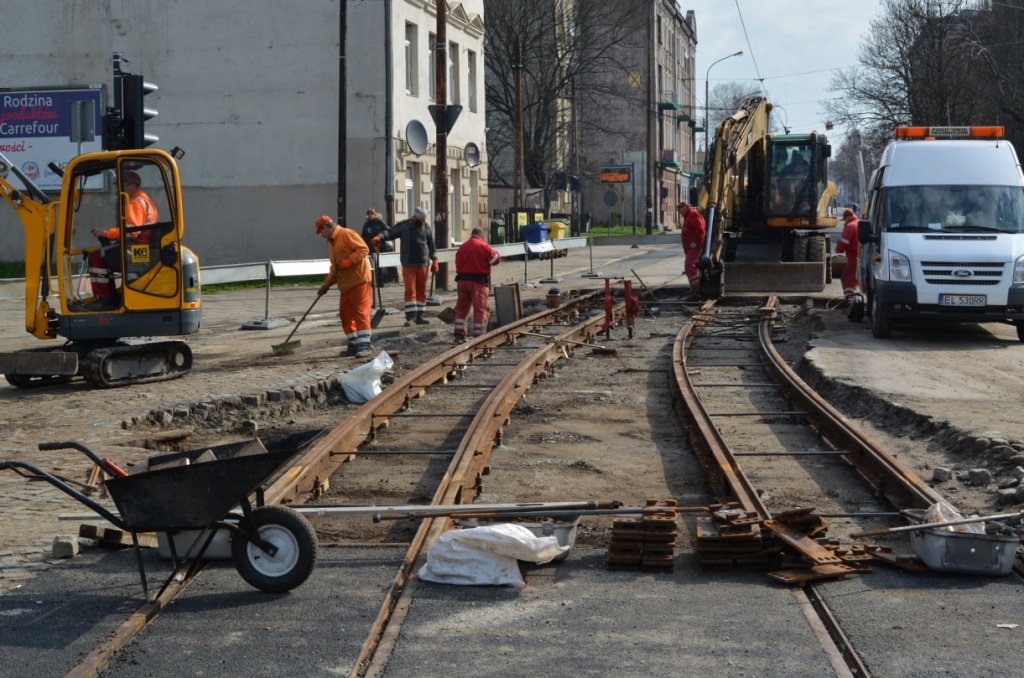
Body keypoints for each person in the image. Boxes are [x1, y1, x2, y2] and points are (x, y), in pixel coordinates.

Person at [77, 170, 159, 311]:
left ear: (133, 186)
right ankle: (110, 296)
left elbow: (132, 231)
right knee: (105, 255)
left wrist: (107, 234)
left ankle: (106, 299)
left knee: (96, 257)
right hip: (139, 247)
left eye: (121, 186)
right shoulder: (143, 200)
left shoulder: (135, 203)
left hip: (137, 250)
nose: (118, 189)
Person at [315, 215, 374, 357]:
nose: (320, 235)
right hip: (346, 284)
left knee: (360, 312)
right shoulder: (332, 243)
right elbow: (335, 268)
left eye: (320, 231)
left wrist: (349, 261)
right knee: (345, 315)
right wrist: (326, 285)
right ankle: (354, 344)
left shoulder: (346, 234)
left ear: (326, 227)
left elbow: (364, 249)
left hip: (359, 280)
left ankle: (365, 345)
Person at [373, 206, 438, 327]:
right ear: (416, 217)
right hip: (409, 265)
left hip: (423, 265)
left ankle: (420, 316)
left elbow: (431, 245)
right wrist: (380, 236)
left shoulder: (426, 227)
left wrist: (434, 259)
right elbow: (390, 232)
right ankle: (410, 317)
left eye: (424, 219)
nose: (423, 222)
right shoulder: (405, 225)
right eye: (421, 219)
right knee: (410, 291)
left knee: (421, 291)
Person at [453, 227, 501, 343]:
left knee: (462, 308)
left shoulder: (463, 247)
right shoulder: (483, 246)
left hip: (462, 282)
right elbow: (495, 260)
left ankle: (459, 335)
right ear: (482, 237)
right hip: (478, 283)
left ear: (471, 235)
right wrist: (497, 253)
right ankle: (479, 337)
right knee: (480, 309)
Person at [835, 208, 862, 320]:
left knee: (847, 279)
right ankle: (853, 302)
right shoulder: (860, 223)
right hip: (861, 257)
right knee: (856, 280)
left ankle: (850, 303)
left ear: (847, 217)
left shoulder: (850, 226)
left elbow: (844, 242)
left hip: (853, 257)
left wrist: (837, 249)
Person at [361, 208, 398, 286]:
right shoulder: (366, 224)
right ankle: (378, 282)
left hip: (381, 246)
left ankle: (393, 278)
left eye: (372, 213)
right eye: (369, 214)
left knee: (384, 263)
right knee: (375, 265)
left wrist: (380, 236)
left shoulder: (380, 222)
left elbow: (388, 231)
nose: (370, 215)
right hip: (371, 247)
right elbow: (363, 235)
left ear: (375, 214)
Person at [677, 201, 706, 297]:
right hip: (690, 248)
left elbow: (700, 229)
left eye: (680, 209)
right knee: (688, 267)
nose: (679, 211)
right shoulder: (688, 216)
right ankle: (693, 287)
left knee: (690, 265)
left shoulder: (692, 214)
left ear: (685, 207)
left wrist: (697, 242)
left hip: (694, 247)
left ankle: (697, 288)